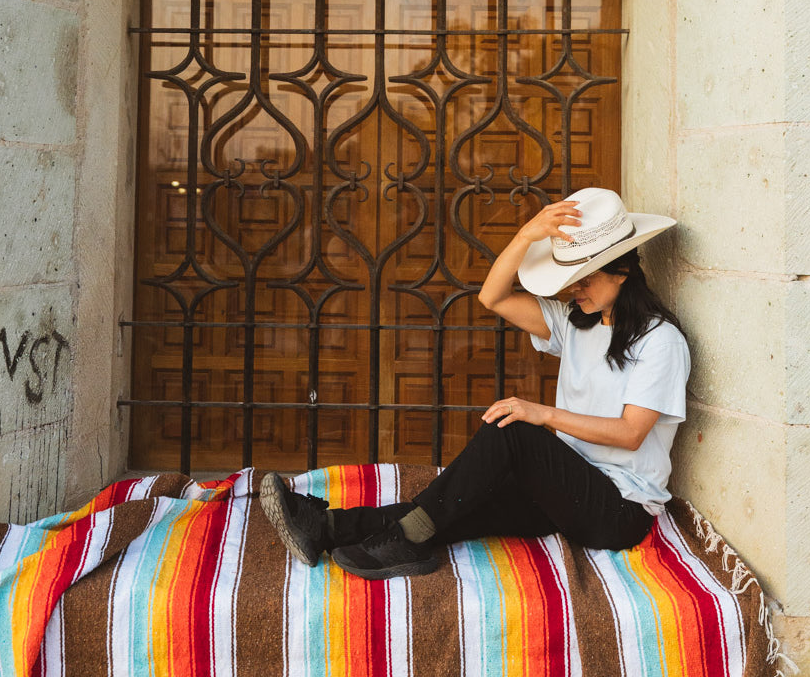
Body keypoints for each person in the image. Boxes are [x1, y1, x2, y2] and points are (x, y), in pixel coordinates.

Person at [259, 187, 690, 580]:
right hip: (569, 489)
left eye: (586, 277)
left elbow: (632, 434)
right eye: (571, 277)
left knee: (515, 431)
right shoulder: (577, 324)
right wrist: (526, 235)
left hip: (618, 509)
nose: (574, 289)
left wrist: (540, 414)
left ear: (623, 271)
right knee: (455, 504)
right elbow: (494, 296)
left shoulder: (660, 340)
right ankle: (328, 528)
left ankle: (407, 540)